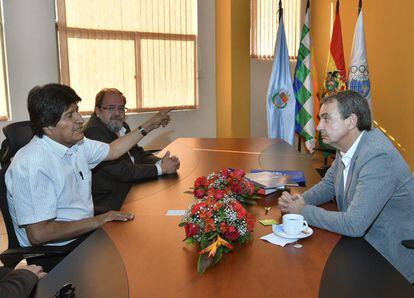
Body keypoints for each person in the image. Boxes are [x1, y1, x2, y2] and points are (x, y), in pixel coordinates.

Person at [5, 84, 169, 270]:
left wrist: (149, 125)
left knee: (146, 241)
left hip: (84, 233)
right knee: (135, 262)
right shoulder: (31, 165)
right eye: (70, 115)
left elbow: (113, 150)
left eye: (77, 111)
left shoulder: (77, 144)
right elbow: (39, 233)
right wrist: (98, 220)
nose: (80, 120)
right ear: (48, 126)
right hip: (57, 252)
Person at [278, 90, 414, 283]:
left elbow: (354, 224)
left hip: (388, 258)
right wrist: (299, 200)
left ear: (351, 121)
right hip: (361, 245)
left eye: (326, 119)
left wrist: (302, 211)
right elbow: (328, 185)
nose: (318, 127)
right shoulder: (348, 147)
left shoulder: (377, 157)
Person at [84, 88, 180, 210]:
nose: (117, 113)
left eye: (121, 108)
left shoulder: (121, 126)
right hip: (110, 202)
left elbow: (137, 154)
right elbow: (122, 171)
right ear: (97, 111)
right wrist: (161, 169)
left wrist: (161, 162)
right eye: (111, 108)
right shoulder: (93, 132)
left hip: (131, 188)